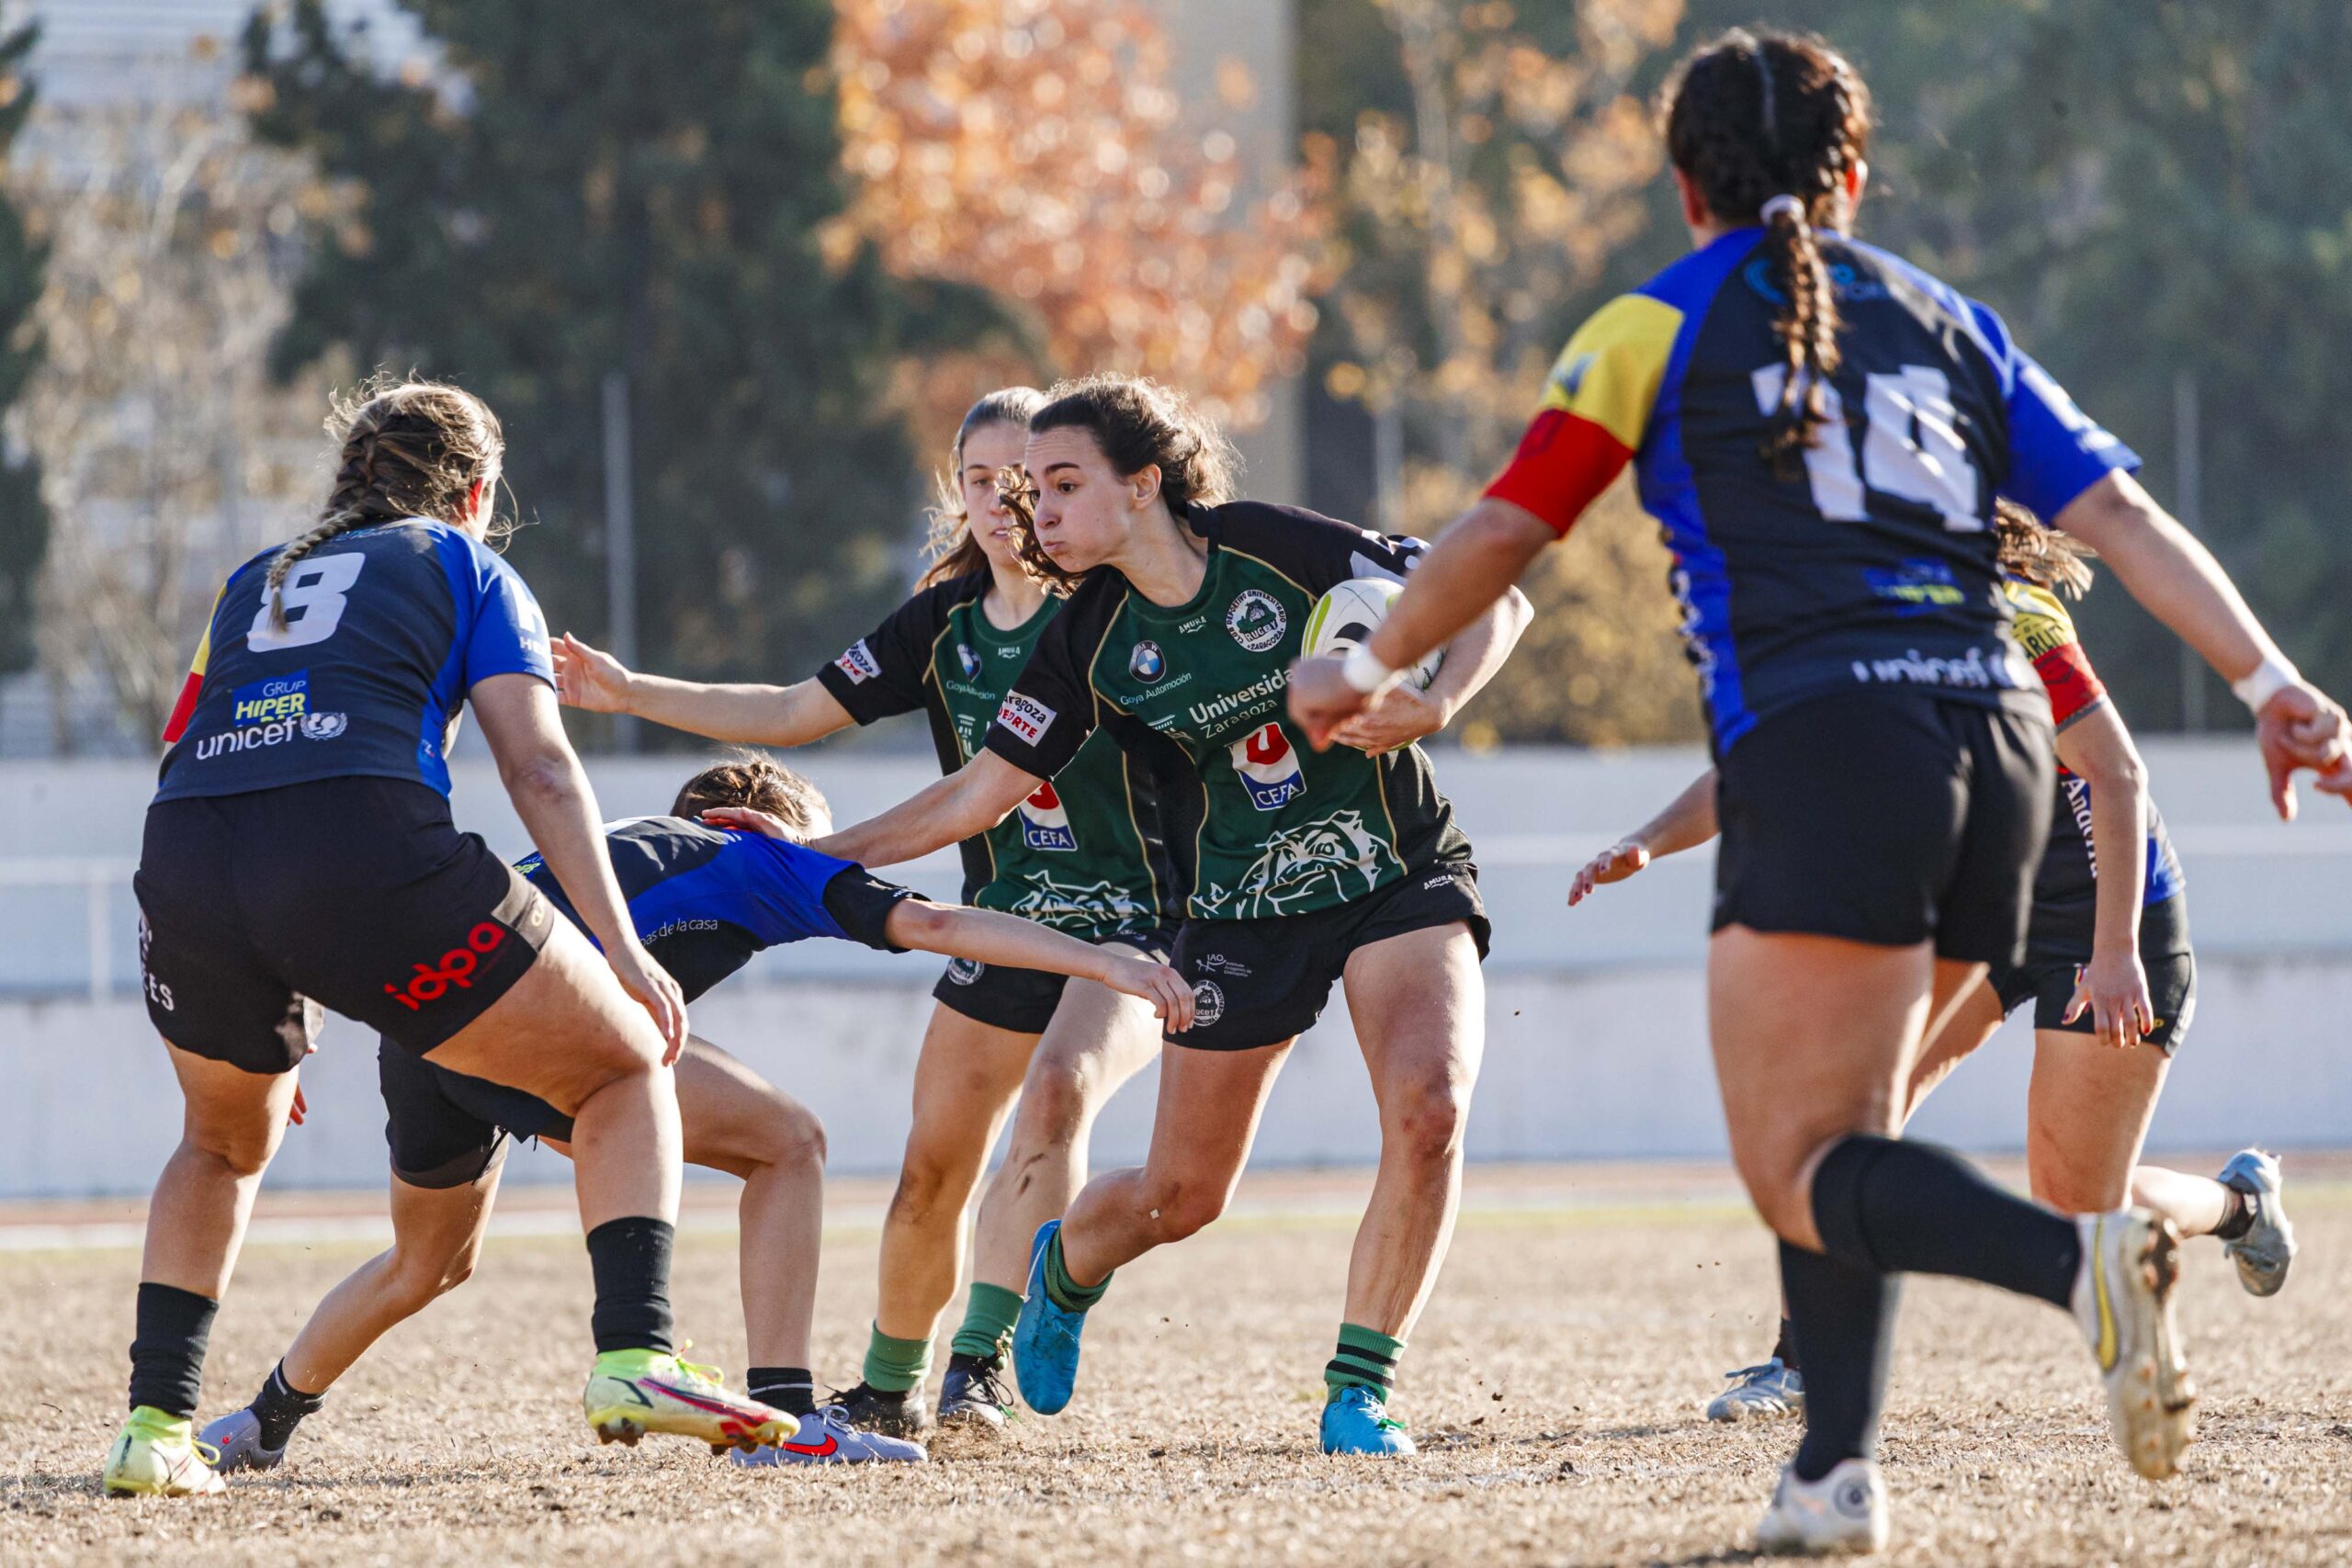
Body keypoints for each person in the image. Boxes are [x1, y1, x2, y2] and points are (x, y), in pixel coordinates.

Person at [1285, 28, 2350, 1552]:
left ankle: (2086, 1271)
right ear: (1852, 179)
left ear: (1681, 183)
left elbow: (1515, 522)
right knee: (1850, 1126)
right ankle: (1833, 1474)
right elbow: (2117, 513)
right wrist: (2271, 684)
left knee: (1804, 1162)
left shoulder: (1655, 320)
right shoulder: (1951, 319)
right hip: (1996, 750)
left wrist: (1375, 657)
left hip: (1828, 740)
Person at [809, 373, 1532, 1457]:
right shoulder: (1084, 640)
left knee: (1429, 1111)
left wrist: (1436, 702)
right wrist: (806, 862)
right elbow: (973, 797)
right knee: (1183, 1194)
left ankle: (1360, 1390)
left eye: (1061, 484)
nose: (1033, 511)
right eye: (1027, 490)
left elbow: (1493, 594)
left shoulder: (1270, 546)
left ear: (1142, 484)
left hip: (1396, 867)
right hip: (1240, 909)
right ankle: (1070, 1264)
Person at [109, 378, 797, 1498]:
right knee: (626, 1062)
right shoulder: (469, 565)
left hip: (186, 860)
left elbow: (192, 755)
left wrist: (292, 971)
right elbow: (535, 765)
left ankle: (153, 1431)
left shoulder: (250, 582)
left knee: (219, 1147)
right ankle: (635, 1356)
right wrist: (624, 956)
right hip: (358, 843)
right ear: (477, 490)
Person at [197, 754, 1192, 1473]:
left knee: (428, 1261)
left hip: (427, 1039)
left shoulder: (629, 846)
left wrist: (287, 1035)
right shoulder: (766, 861)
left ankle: (262, 1419)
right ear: (764, 826)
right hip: (530, 1032)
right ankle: (787, 1414)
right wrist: (1101, 960)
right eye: (819, 841)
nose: (829, 862)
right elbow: (933, 921)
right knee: (789, 1144)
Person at [1564, 504, 2297, 1424]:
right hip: (1986, 915)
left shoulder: (2015, 621)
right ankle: (1802, 1363)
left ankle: (2237, 1205)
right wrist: (1645, 841)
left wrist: (2113, 953)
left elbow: (2116, 777)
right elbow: (1765, 760)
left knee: (2076, 1205)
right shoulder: (1858, 629)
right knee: (1840, 1120)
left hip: (2107, 917)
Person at [552, 389, 1181, 1439]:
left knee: (1061, 1091)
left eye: (1021, 482)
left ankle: (974, 1366)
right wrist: (627, 692)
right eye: (977, 481)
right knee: (932, 1164)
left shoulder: (1118, 606)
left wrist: (822, 859)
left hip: (1132, 922)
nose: (999, 502)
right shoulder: (941, 627)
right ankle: (890, 1383)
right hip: (1002, 911)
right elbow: (794, 712)